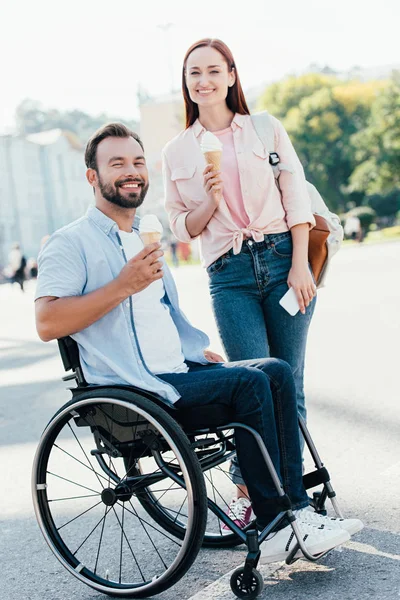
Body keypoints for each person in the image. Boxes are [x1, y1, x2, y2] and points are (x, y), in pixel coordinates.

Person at [34, 123, 361, 563]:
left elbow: (157, 315)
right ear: (92, 176)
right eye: (117, 164)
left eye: (136, 162)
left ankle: (299, 510)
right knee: (249, 386)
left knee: (275, 371)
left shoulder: (141, 237)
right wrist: (122, 284)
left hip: (178, 369)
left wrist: (191, 350)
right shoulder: (70, 243)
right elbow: (47, 321)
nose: (131, 172)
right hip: (135, 386)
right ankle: (277, 522)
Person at [163, 38, 318, 530]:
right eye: (193, 73)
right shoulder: (177, 150)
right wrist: (207, 202)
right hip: (228, 276)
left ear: (231, 75)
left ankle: (295, 502)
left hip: (280, 262)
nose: (203, 81)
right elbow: (179, 228)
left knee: (289, 386)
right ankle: (257, 489)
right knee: (253, 385)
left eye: (213, 70)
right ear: (186, 83)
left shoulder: (265, 129)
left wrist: (300, 264)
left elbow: (295, 197)